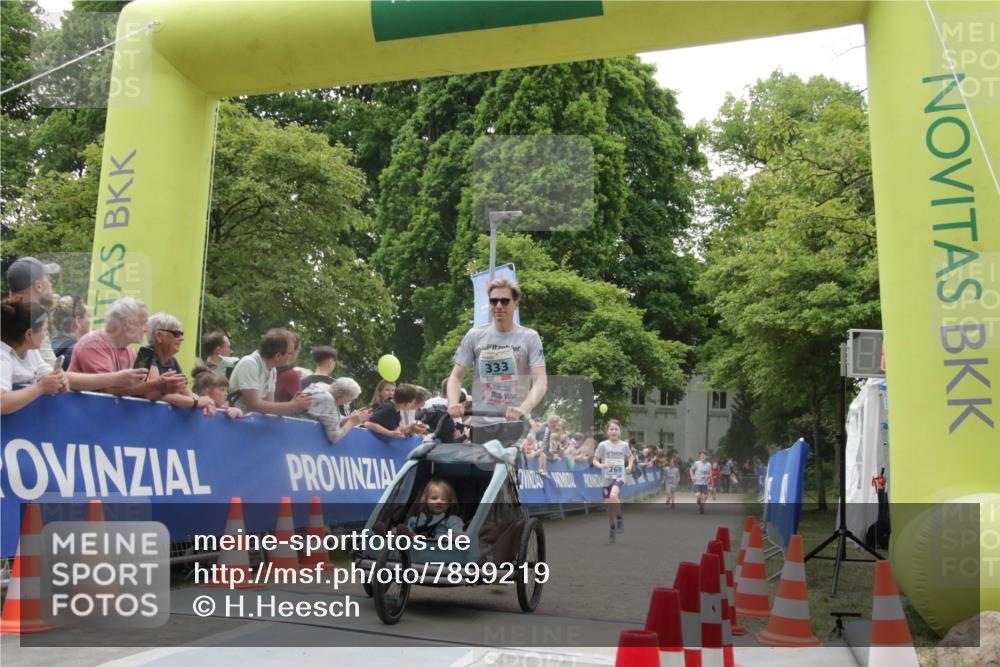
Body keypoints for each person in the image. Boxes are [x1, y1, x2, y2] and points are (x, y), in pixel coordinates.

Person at [447, 278, 547, 446]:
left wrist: (523, 409)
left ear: (516, 304)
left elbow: (540, 381)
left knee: (506, 471)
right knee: (481, 472)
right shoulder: (474, 335)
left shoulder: (530, 337)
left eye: (504, 301)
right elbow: (456, 377)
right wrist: (453, 403)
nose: (498, 305)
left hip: (514, 423)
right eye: (493, 301)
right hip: (481, 422)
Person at [1, 300, 146, 414]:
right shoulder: (3, 357)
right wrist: (39, 388)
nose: (46, 334)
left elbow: (65, 377)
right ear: (28, 334)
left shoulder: (32, 352)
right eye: (44, 329)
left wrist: (60, 380)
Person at [69, 296, 186, 400]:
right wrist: (157, 385)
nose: (146, 329)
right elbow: (109, 389)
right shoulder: (93, 343)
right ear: (127, 324)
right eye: (143, 323)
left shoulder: (132, 353)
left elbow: (145, 393)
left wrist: (165, 387)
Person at [142, 312, 216, 415]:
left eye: (181, 334)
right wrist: (196, 402)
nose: (181, 338)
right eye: (177, 334)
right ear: (159, 336)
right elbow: (155, 394)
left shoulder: (172, 360)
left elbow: (186, 392)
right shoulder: (145, 355)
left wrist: (207, 403)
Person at [228, 328, 311, 416]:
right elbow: (253, 404)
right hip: (235, 422)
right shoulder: (250, 363)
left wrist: (296, 405)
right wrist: (292, 405)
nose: (292, 356)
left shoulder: (272, 370)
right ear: (278, 355)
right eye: (290, 353)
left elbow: (270, 405)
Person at [6, 256, 60, 366]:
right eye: (48, 280)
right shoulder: (31, 323)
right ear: (38, 285)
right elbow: (53, 374)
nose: (51, 284)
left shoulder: (8, 317)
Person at [593, 419, 634, 543]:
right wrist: (600, 466)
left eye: (616, 429)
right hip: (606, 478)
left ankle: (620, 518)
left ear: (620, 432)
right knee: (610, 507)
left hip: (619, 476)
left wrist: (629, 466)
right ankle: (612, 527)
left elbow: (630, 456)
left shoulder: (624, 445)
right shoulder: (602, 445)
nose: (614, 431)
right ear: (607, 431)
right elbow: (595, 459)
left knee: (613, 495)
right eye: (611, 429)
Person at [302, 377, 372, 444]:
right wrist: (352, 422)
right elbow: (334, 438)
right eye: (350, 399)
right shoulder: (328, 400)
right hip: (304, 437)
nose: (349, 402)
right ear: (340, 397)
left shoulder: (320, 386)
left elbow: (327, 418)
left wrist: (349, 417)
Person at [405, 479, 465, 544]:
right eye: (434, 498)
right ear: (425, 501)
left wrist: (434, 539)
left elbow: (457, 536)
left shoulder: (453, 520)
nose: (439, 502)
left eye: (444, 499)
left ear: (450, 503)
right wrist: (413, 536)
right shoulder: (414, 520)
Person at [50, 295, 91, 370]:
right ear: (77, 321)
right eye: (88, 316)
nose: (90, 321)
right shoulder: (77, 352)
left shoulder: (50, 345)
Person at [274, 334, 303, 402]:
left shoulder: (268, 369)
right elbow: (299, 404)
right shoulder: (291, 374)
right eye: (299, 349)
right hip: (281, 412)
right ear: (293, 350)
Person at [690, 450, 712, 514]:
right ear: (699, 457)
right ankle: (698, 501)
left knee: (703, 497)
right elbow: (691, 470)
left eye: (704, 456)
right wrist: (692, 477)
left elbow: (711, 473)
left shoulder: (709, 465)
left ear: (706, 456)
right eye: (701, 456)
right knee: (698, 495)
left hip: (705, 483)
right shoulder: (697, 463)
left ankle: (701, 508)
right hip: (697, 483)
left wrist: (707, 476)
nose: (702, 457)